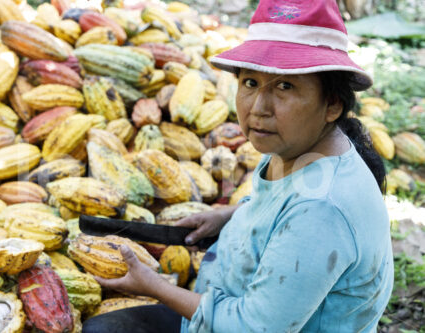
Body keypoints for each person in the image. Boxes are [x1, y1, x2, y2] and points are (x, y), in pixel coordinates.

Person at [83, 0, 394, 332]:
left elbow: (251, 327)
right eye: (250, 83)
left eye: (285, 86)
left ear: (332, 103)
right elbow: (282, 211)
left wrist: (154, 286)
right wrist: (229, 216)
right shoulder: (295, 145)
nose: (259, 107)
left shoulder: (322, 210)